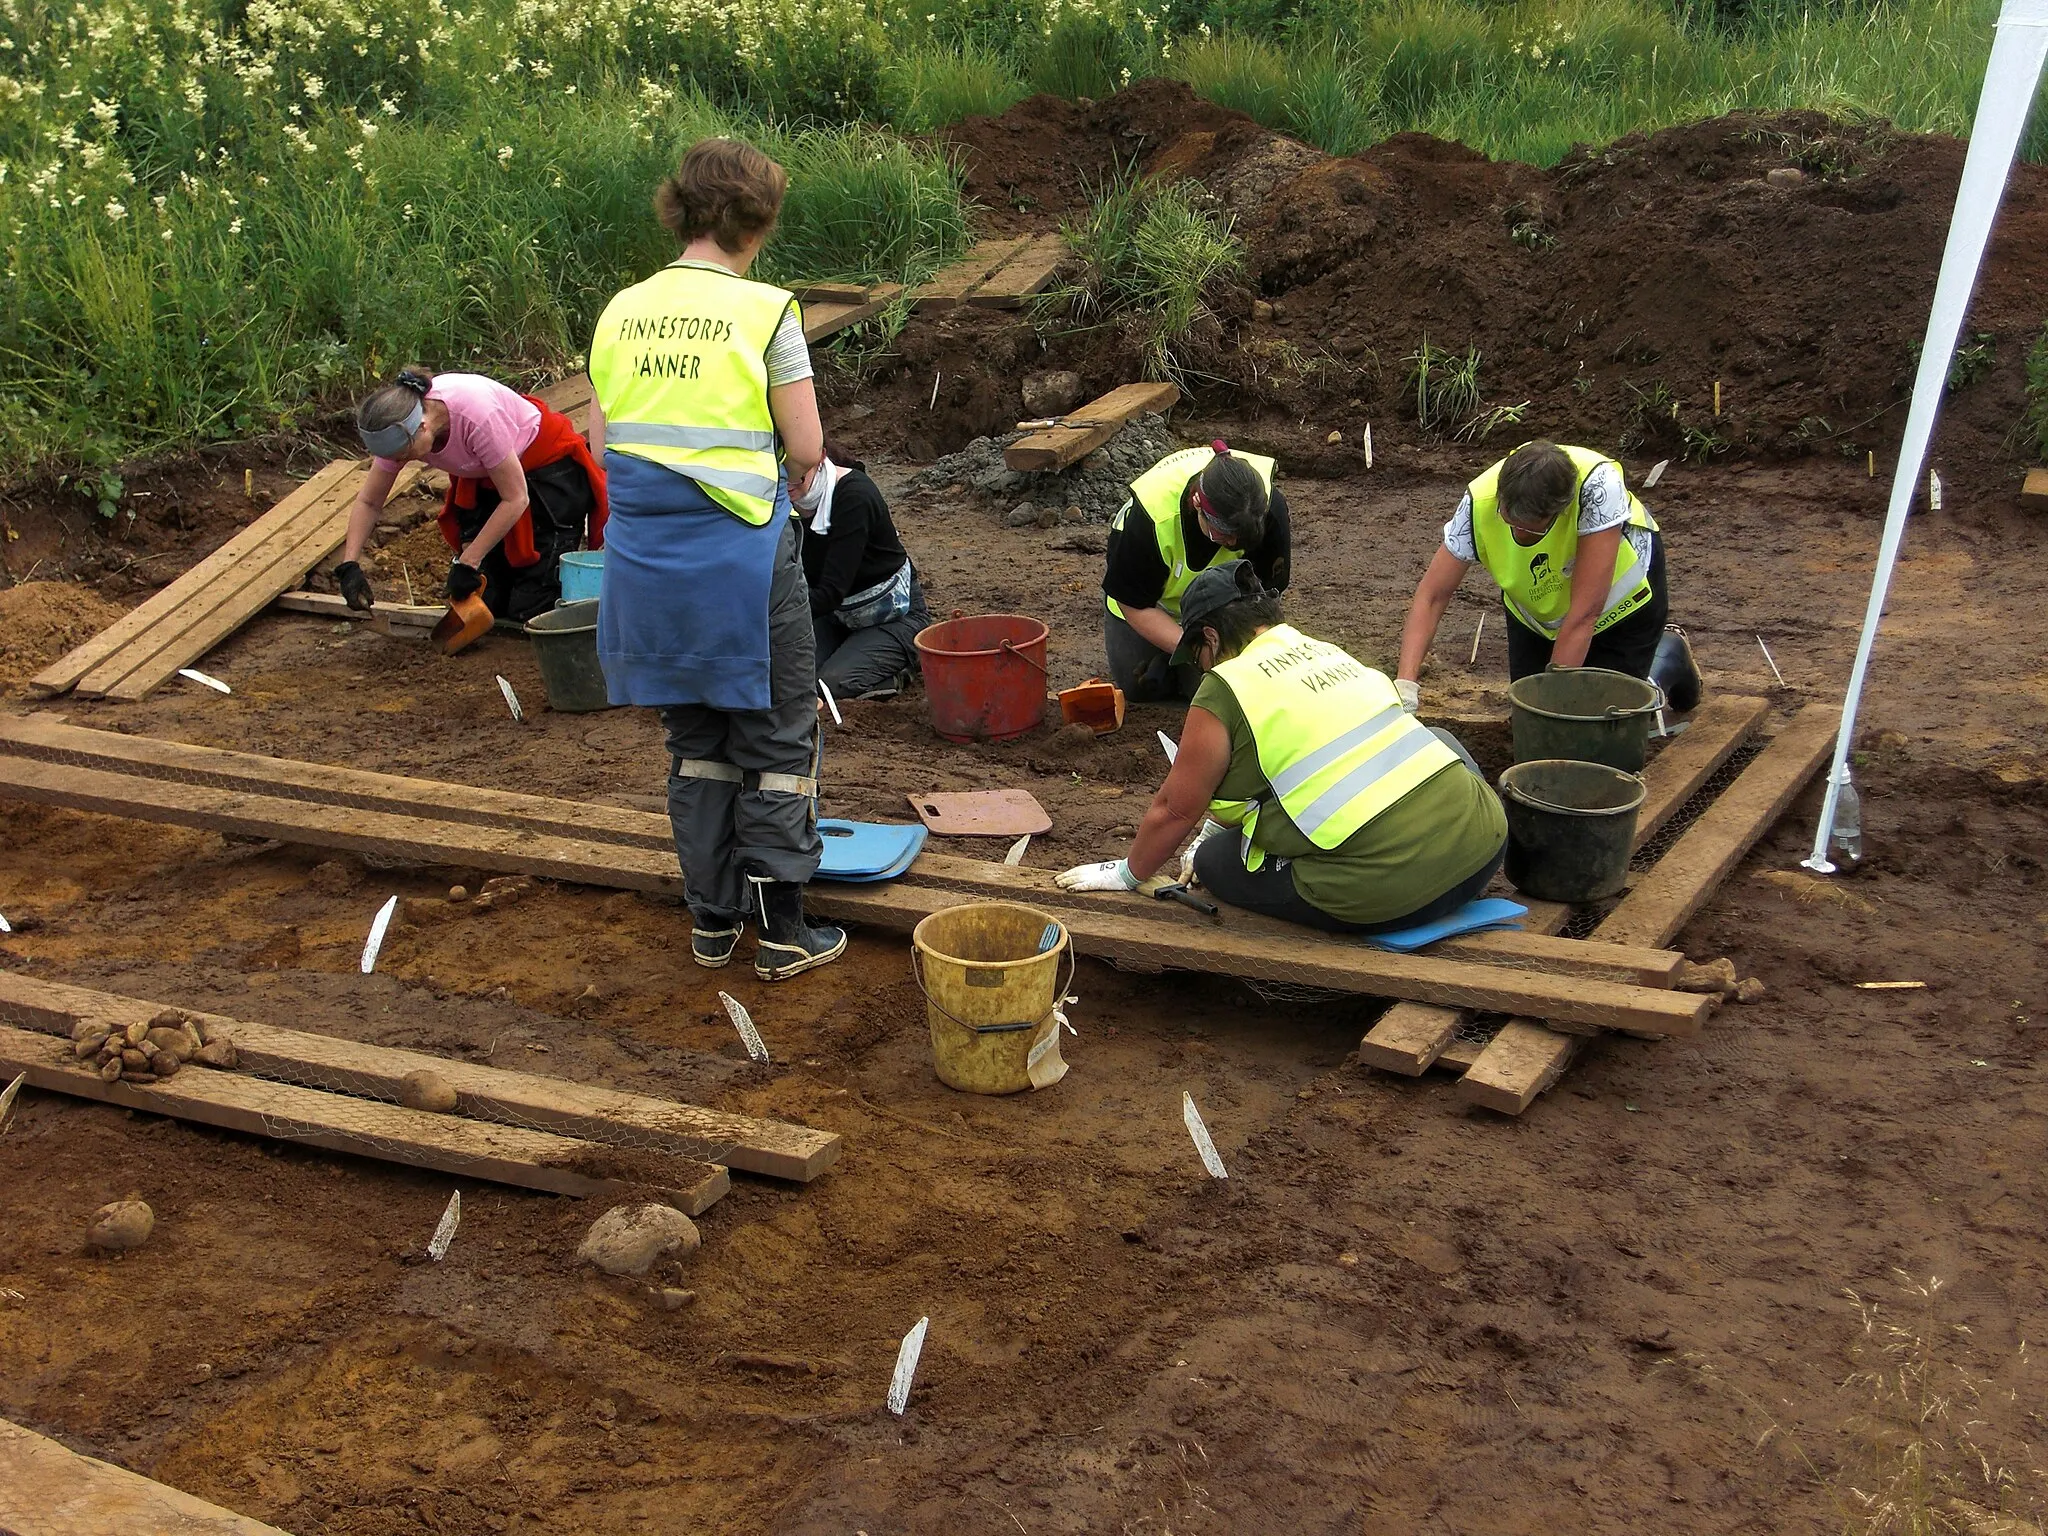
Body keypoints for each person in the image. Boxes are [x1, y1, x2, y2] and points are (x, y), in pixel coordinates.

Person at [586, 137, 844, 983]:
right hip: (741, 555)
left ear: (679, 210)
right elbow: (805, 446)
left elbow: (602, 441)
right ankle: (783, 932)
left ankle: (710, 923)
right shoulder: (769, 312)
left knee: (694, 740)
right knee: (774, 736)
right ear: (759, 220)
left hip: (644, 559)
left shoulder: (620, 309)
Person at [1056, 563, 1507, 935]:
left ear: (1209, 639)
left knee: (1215, 863)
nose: (1200, 668)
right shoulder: (1327, 651)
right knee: (1439, 741)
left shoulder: (1225, 687)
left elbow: (1175, 810)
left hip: (1390, 898)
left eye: (1197, 656)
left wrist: (1127, 874)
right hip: (1484, 852)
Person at [1395, 439, 1695, 708]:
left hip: (1619, 608)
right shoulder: (1478, 502)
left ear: (1558, 511)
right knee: (1527, 707)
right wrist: (1406, 685)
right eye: (1509, 521)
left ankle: (1666, 659)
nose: (1517, 535)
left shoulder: (1598, 489)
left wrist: (1552, 707)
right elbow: (1432, 596)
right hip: (1540, 613)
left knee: (1603, 714)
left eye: (1527, 528)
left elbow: (1585, 614)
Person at [337, 369, 605, 623]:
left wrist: (468, 562)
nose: (399, 463)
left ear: (422, 427)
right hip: (487, 477)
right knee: (485, 601)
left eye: (404, 456)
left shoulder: (477, 416)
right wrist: (349, 565)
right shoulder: (402, 429)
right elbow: (370, 501)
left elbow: (515, 498)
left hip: (546, 471)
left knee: (531, 609)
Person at [1102, 441, 1291, 703]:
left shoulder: (1269, 510)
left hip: (1220, 605)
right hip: (1150, 603)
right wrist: (1191, 646)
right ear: (1197, 504)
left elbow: (1265, 599)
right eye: (1223, 535)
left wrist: (1237, 655)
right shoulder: (1148, 522)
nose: (1233, 544)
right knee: (1141, 688)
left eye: (1242, 537)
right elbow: (1134, 604)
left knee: (1218, 691)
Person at [798, 438, 930, 700]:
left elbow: (830, 592)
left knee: (828, 686)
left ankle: (899, 668)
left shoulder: (853, 497)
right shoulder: (785, 500)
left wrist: (768, 614)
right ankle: (852, 654)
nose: (788, 483)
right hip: (836, 616)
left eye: (797, 474)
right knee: (790, 677)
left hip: (894, 615)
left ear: (821, 458)